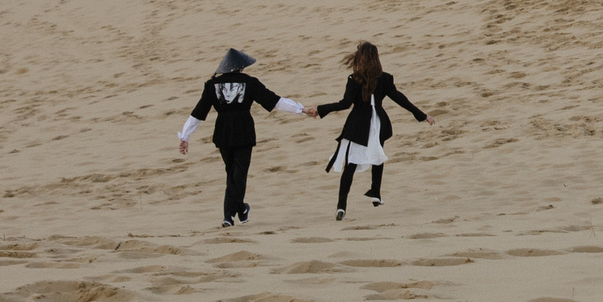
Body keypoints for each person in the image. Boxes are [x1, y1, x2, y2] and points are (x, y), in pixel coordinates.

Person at [177, 48, 305, 228]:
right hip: (244, 131)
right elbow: (275, 101)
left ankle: (231, 214)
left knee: (232, 173)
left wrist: (185, 136)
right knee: (238, 174)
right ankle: (236, 211)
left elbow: (198, 113)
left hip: (223, 132)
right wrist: (301, 109)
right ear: (240, 67)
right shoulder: (249, 82)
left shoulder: (212, 85)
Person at [312, 42, 431, 220]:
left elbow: (345, 104)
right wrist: (422, 115)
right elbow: (399, 98)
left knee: (350, 165)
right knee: (377, 156)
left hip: (358, 123)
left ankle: (341, 206)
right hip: (378, 123)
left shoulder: (354, 79)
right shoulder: (385, 78)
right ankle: (375, 193)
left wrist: (320, 109)